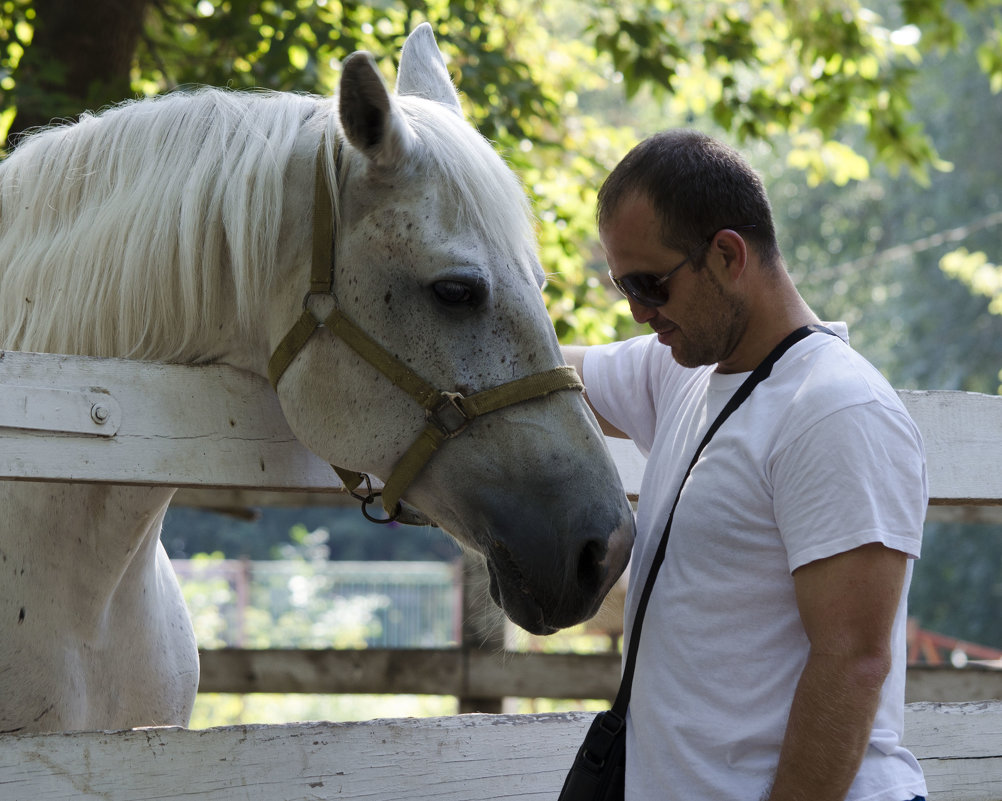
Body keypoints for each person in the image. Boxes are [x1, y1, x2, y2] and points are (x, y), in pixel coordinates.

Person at [562, 129, 928, 801]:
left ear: (728, 254)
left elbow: (853, 663)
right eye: (623, 287)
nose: (640, 313)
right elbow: (538, 379)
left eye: (650, 284)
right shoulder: (681, 373)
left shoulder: (836, 408)